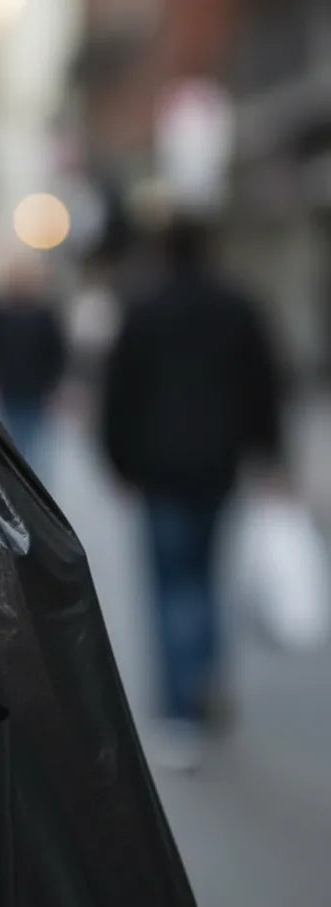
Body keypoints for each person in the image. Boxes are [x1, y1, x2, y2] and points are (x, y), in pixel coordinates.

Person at [102, 217, 284, 770]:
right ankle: (200, 680)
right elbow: (264, 384)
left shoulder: (143, 308)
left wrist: (119, 460)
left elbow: (120, 389)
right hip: (218, 465)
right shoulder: (237, 306)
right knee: (203, 578)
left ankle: (182, 709)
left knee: (169, 587)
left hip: (159, 468)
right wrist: (269, 453)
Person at [0, 255, 67, 478]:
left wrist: (54, 387)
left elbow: (57, 354)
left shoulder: (45, 315)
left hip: (34, 393)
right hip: (2, 391)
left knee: (32, 446)